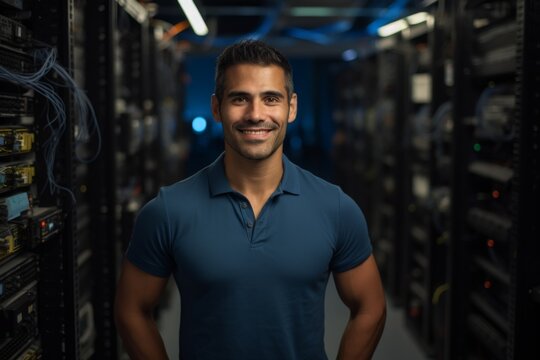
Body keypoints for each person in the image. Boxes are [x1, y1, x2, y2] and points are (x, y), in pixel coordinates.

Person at [115, 39, 386, 360]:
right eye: (240, 98)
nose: (256, 114)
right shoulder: (168, 211)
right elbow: (131, 310)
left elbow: (371, 307)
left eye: (271, 99)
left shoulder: (336, 208)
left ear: (292, 107)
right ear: (217, 107)